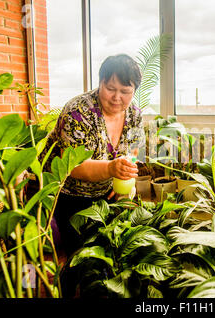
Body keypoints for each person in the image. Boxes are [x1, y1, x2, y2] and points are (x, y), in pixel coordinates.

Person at [39, 54, 144, 258]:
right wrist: (111, 169)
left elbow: (131, 151)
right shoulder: (78, 112)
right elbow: (74, 166)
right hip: (67, 192)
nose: (116, 97)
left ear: (133, 91)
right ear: (100, 82)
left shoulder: (135, 115)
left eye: (125, 91)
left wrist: (122, 182)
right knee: (79, 255)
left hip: (105, 191)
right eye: (110, 88)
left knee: (106, 252)